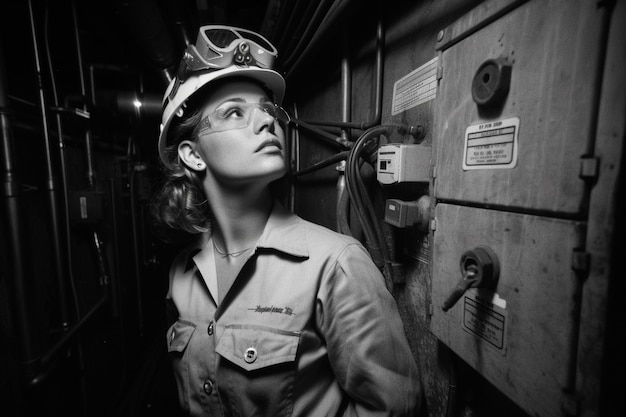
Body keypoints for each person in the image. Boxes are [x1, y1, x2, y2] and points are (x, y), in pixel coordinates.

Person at [152, 25, 422, 416]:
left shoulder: (337, 265)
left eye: (269, 110)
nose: (267, 122)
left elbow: (394, 410)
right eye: (235, 112)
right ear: (193, 155)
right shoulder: (182, 274)